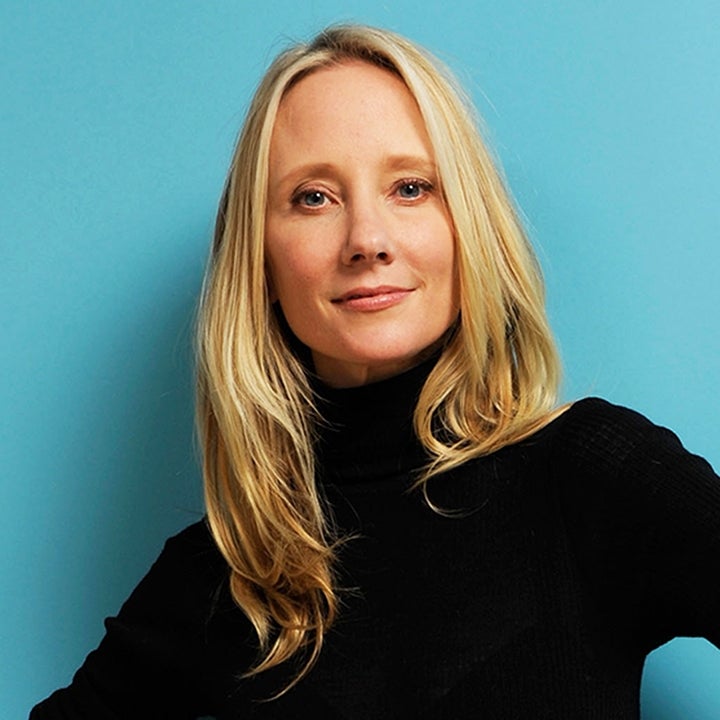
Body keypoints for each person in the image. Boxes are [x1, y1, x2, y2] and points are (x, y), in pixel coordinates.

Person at [30, 23, 720, 719]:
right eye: (313, 197)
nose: (367, 240)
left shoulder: (592, 476)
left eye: (411, 188)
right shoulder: (224, 575)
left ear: (468, 227)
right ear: (261, 261)